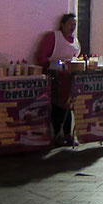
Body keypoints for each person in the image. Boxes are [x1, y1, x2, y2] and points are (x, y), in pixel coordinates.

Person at [35, 13, 80, 146]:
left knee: (68, 106)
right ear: (63, 24)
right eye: (70, 24)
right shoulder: (53, 37)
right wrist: (52, 66)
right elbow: (41, 57)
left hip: (69, 80)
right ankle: (57, 135)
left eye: (75, 24)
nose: (73, 27)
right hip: (55, 79)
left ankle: (68, 134)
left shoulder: (75, 42)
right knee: (57, 107)